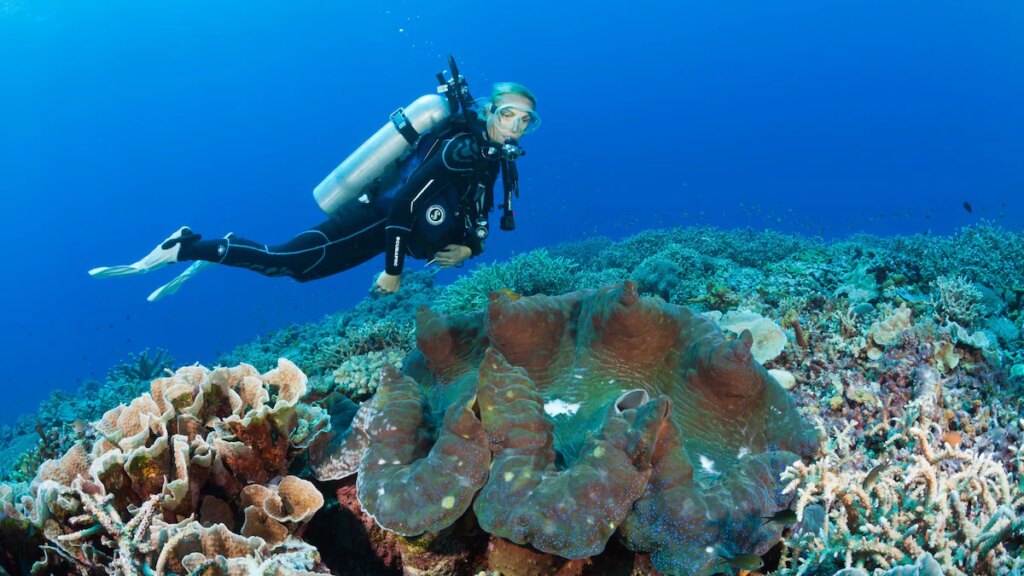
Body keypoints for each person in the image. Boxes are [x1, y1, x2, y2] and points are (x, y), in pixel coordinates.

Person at [89, 76, 539, 300]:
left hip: (380, 229)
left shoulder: (490, 155)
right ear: (488, 111)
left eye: (525, 120)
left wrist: (469, 250)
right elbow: (405, 204)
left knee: (293, 268)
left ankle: (219, 248)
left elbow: (476, 213)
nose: (515, 126)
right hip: (376, 223)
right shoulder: (462, 150)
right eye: (508, 114)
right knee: (284, 263)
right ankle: (187, 247)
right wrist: (394, 270)